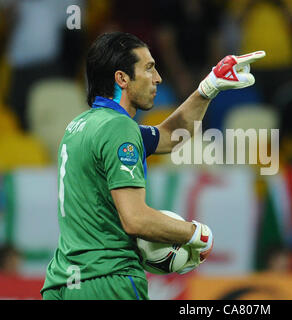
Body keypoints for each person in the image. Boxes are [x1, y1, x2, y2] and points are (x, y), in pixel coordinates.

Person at [40, 32, 265, 300]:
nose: (158, 78)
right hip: (108, 281)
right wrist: (196, 234)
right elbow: (135, 219)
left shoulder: (80, 126)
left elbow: (170, 135)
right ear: (122, 78)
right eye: (148, 68)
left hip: (64, 283)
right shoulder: (118, 128)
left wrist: (208, 87)